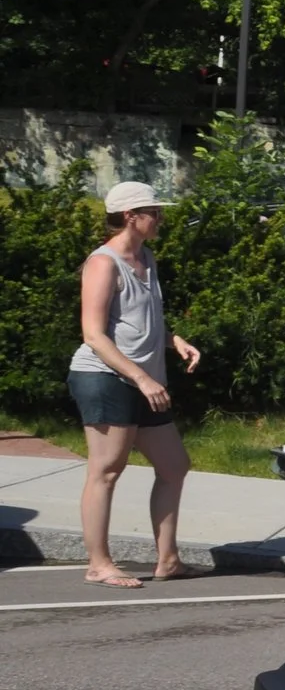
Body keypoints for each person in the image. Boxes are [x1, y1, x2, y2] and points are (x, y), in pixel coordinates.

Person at [68, 181, 206, 586]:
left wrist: (173, 339)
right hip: (105, 377)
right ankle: (99, 564)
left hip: (144, 380)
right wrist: (142, 377)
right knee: (107, 470)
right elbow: (94, 335)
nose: (160, 218)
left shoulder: (146, 257)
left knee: (174, 465)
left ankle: (168, 560)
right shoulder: (103, 263)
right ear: (131, 216)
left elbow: (139, 321)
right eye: (154, 212)